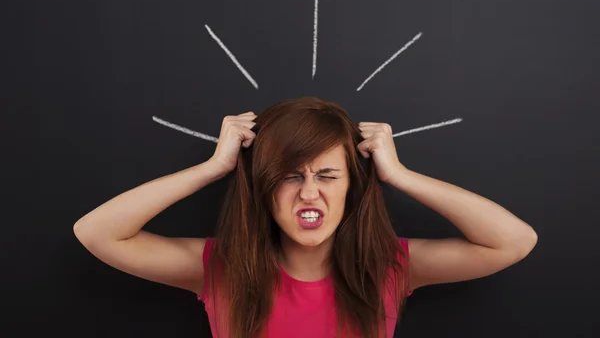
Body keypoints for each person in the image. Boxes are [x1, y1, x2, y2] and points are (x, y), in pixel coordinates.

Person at [73, 96, 537, 338]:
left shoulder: (390, 267)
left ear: (352, 187)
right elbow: (96, 233)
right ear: (264, 190)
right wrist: (214, 167)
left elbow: (513, 241)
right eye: (290, 177)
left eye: (329, 176)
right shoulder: (220, 268)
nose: (309, 193)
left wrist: (398, 175)